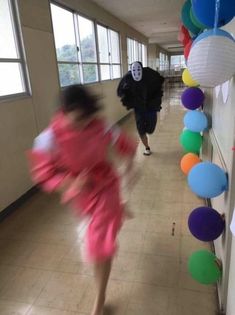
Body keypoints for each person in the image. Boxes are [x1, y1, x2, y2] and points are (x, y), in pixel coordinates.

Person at [27, 85, 137, 315]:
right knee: (100, 240)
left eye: (87, 119)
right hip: (81, 194)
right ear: (64, 112)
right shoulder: (48, 139)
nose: (83, 125)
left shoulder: (101, 126)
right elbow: (43, 173)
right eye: (77, 119)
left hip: (105, 185)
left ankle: (99, 300)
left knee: (99, 244)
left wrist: (129, 166)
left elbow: (126, 147)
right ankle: (115, 212)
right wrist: (69, 183)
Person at [117, 61, 164, 155]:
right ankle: (147, 148)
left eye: (138, 70)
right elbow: (120, 90)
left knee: (150, 130)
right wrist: (125, 92)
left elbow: (159, 81)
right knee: (141, 130)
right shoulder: (128, 78)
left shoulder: (150, 74)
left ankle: (147, 131)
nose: (136, 72)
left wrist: (155, 95)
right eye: (134, 70)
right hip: (138, 108)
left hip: (150, 108)